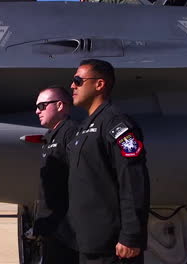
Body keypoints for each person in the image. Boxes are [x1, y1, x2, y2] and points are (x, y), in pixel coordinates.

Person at [67, 59, 150, 264]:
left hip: (113, 248)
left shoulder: (118, 125)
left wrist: (131, 236)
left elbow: (133, 182)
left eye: (78, 80)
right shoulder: (84, 127)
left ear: (99, 84)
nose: (72, 86)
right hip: (88, 243)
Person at [32, 86, 78, 264]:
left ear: (60, 105)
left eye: (42, 106)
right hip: (52, 228)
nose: (37, 111)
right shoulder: (51, 136)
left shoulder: (71, 133)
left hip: (66, 231)